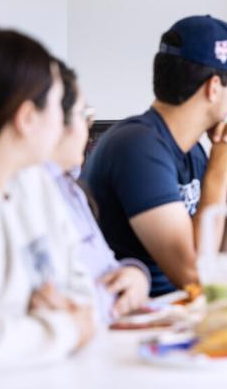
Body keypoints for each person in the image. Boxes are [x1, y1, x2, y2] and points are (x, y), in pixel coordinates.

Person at [82, 15, 227, 296]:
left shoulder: (193, 151)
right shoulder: (137, 147)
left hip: (179, 309)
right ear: (214, 87)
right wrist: (218, 175)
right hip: (135, 314)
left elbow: (223, 263)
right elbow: (193, 275)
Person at [0, 28, 96, 368]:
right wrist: (64, 329)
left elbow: (82, 289)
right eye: (56, 104)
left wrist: (49, 318)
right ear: (27, 118)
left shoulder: (35, 181)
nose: (63, 123)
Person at [46, 60, 150, 321]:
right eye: (84, 114)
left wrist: (135, 275)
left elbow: (106, 266)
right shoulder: (33, 196)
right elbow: (65, 302)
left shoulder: (69, 187)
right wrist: (114, 297)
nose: (89, 125)